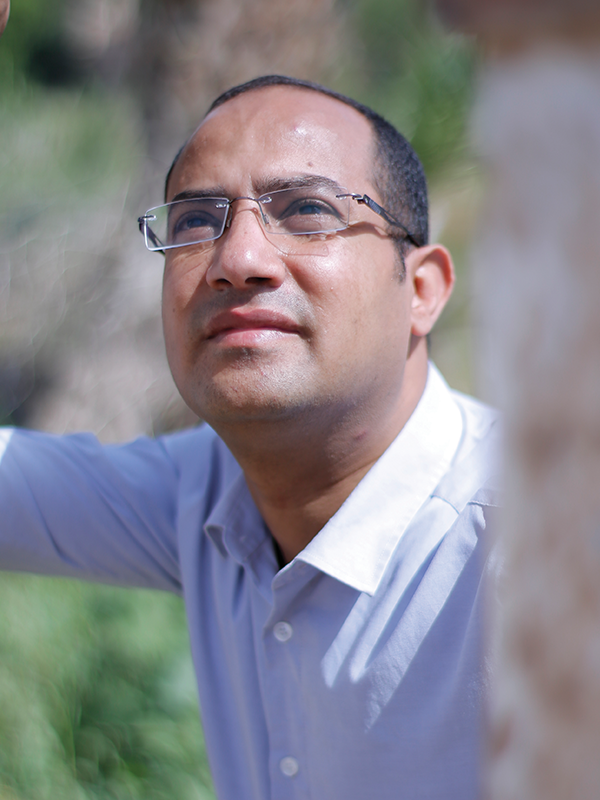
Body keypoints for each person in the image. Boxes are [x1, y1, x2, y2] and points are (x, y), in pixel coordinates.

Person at [0, 75, 499, 800]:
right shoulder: (206, 495)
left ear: (420, 289)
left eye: (307, 210)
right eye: (195, 221)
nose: (238, 260)